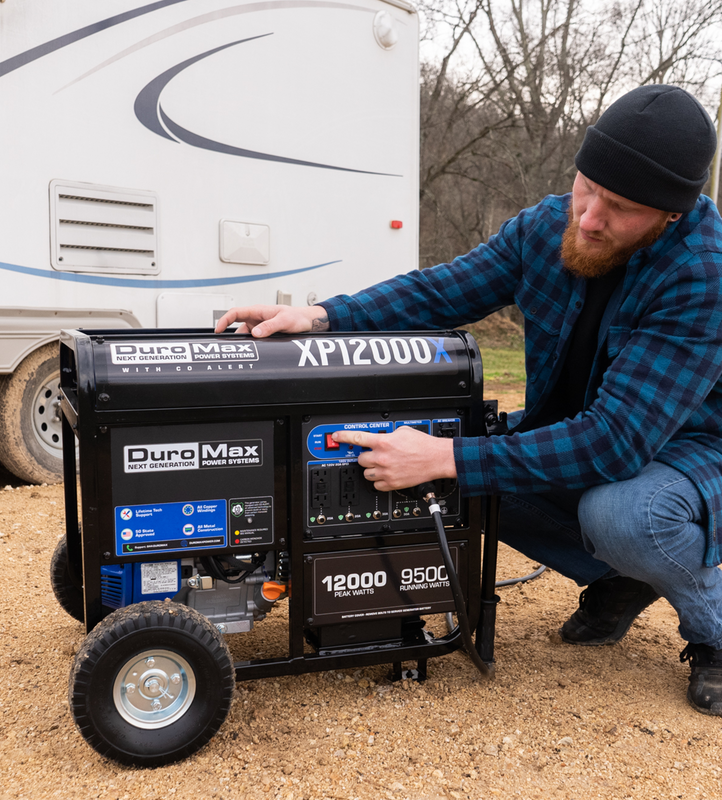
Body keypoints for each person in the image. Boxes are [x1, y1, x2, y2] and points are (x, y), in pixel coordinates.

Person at [215, 85, 722, 716]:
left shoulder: (703, 273)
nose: (589, 217)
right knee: (475, 484)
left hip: (688, 452)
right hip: (585, 433)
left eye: (619, 208)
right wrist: (321, 317)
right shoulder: (545, 228)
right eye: (586, 186)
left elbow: (614, 442)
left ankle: (712, 634)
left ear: (672, 214)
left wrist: (446, 457)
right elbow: (437, 294)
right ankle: (623, 579)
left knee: (622, 515)